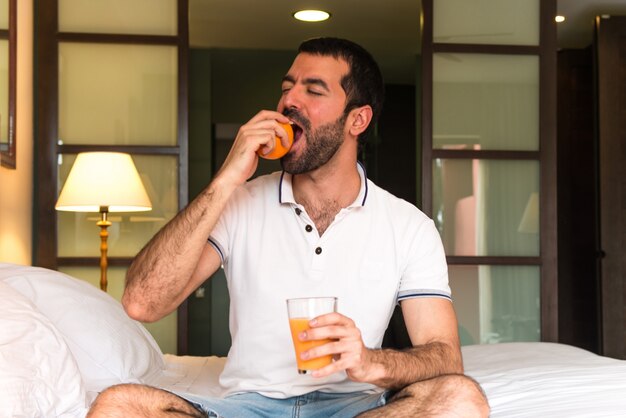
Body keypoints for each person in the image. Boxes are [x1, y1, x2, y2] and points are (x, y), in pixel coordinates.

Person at [88, 37, 489, 417]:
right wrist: (227, 179)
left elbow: (444, 355)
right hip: (248, 407)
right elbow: (142, 303)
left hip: (355, 408)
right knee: (120, 404)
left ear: (358, 120)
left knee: (460, 397)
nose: (289, 102)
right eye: (287, 88)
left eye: (313, 91)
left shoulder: (408, 226)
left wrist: (370, 361)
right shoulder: (238, 203)